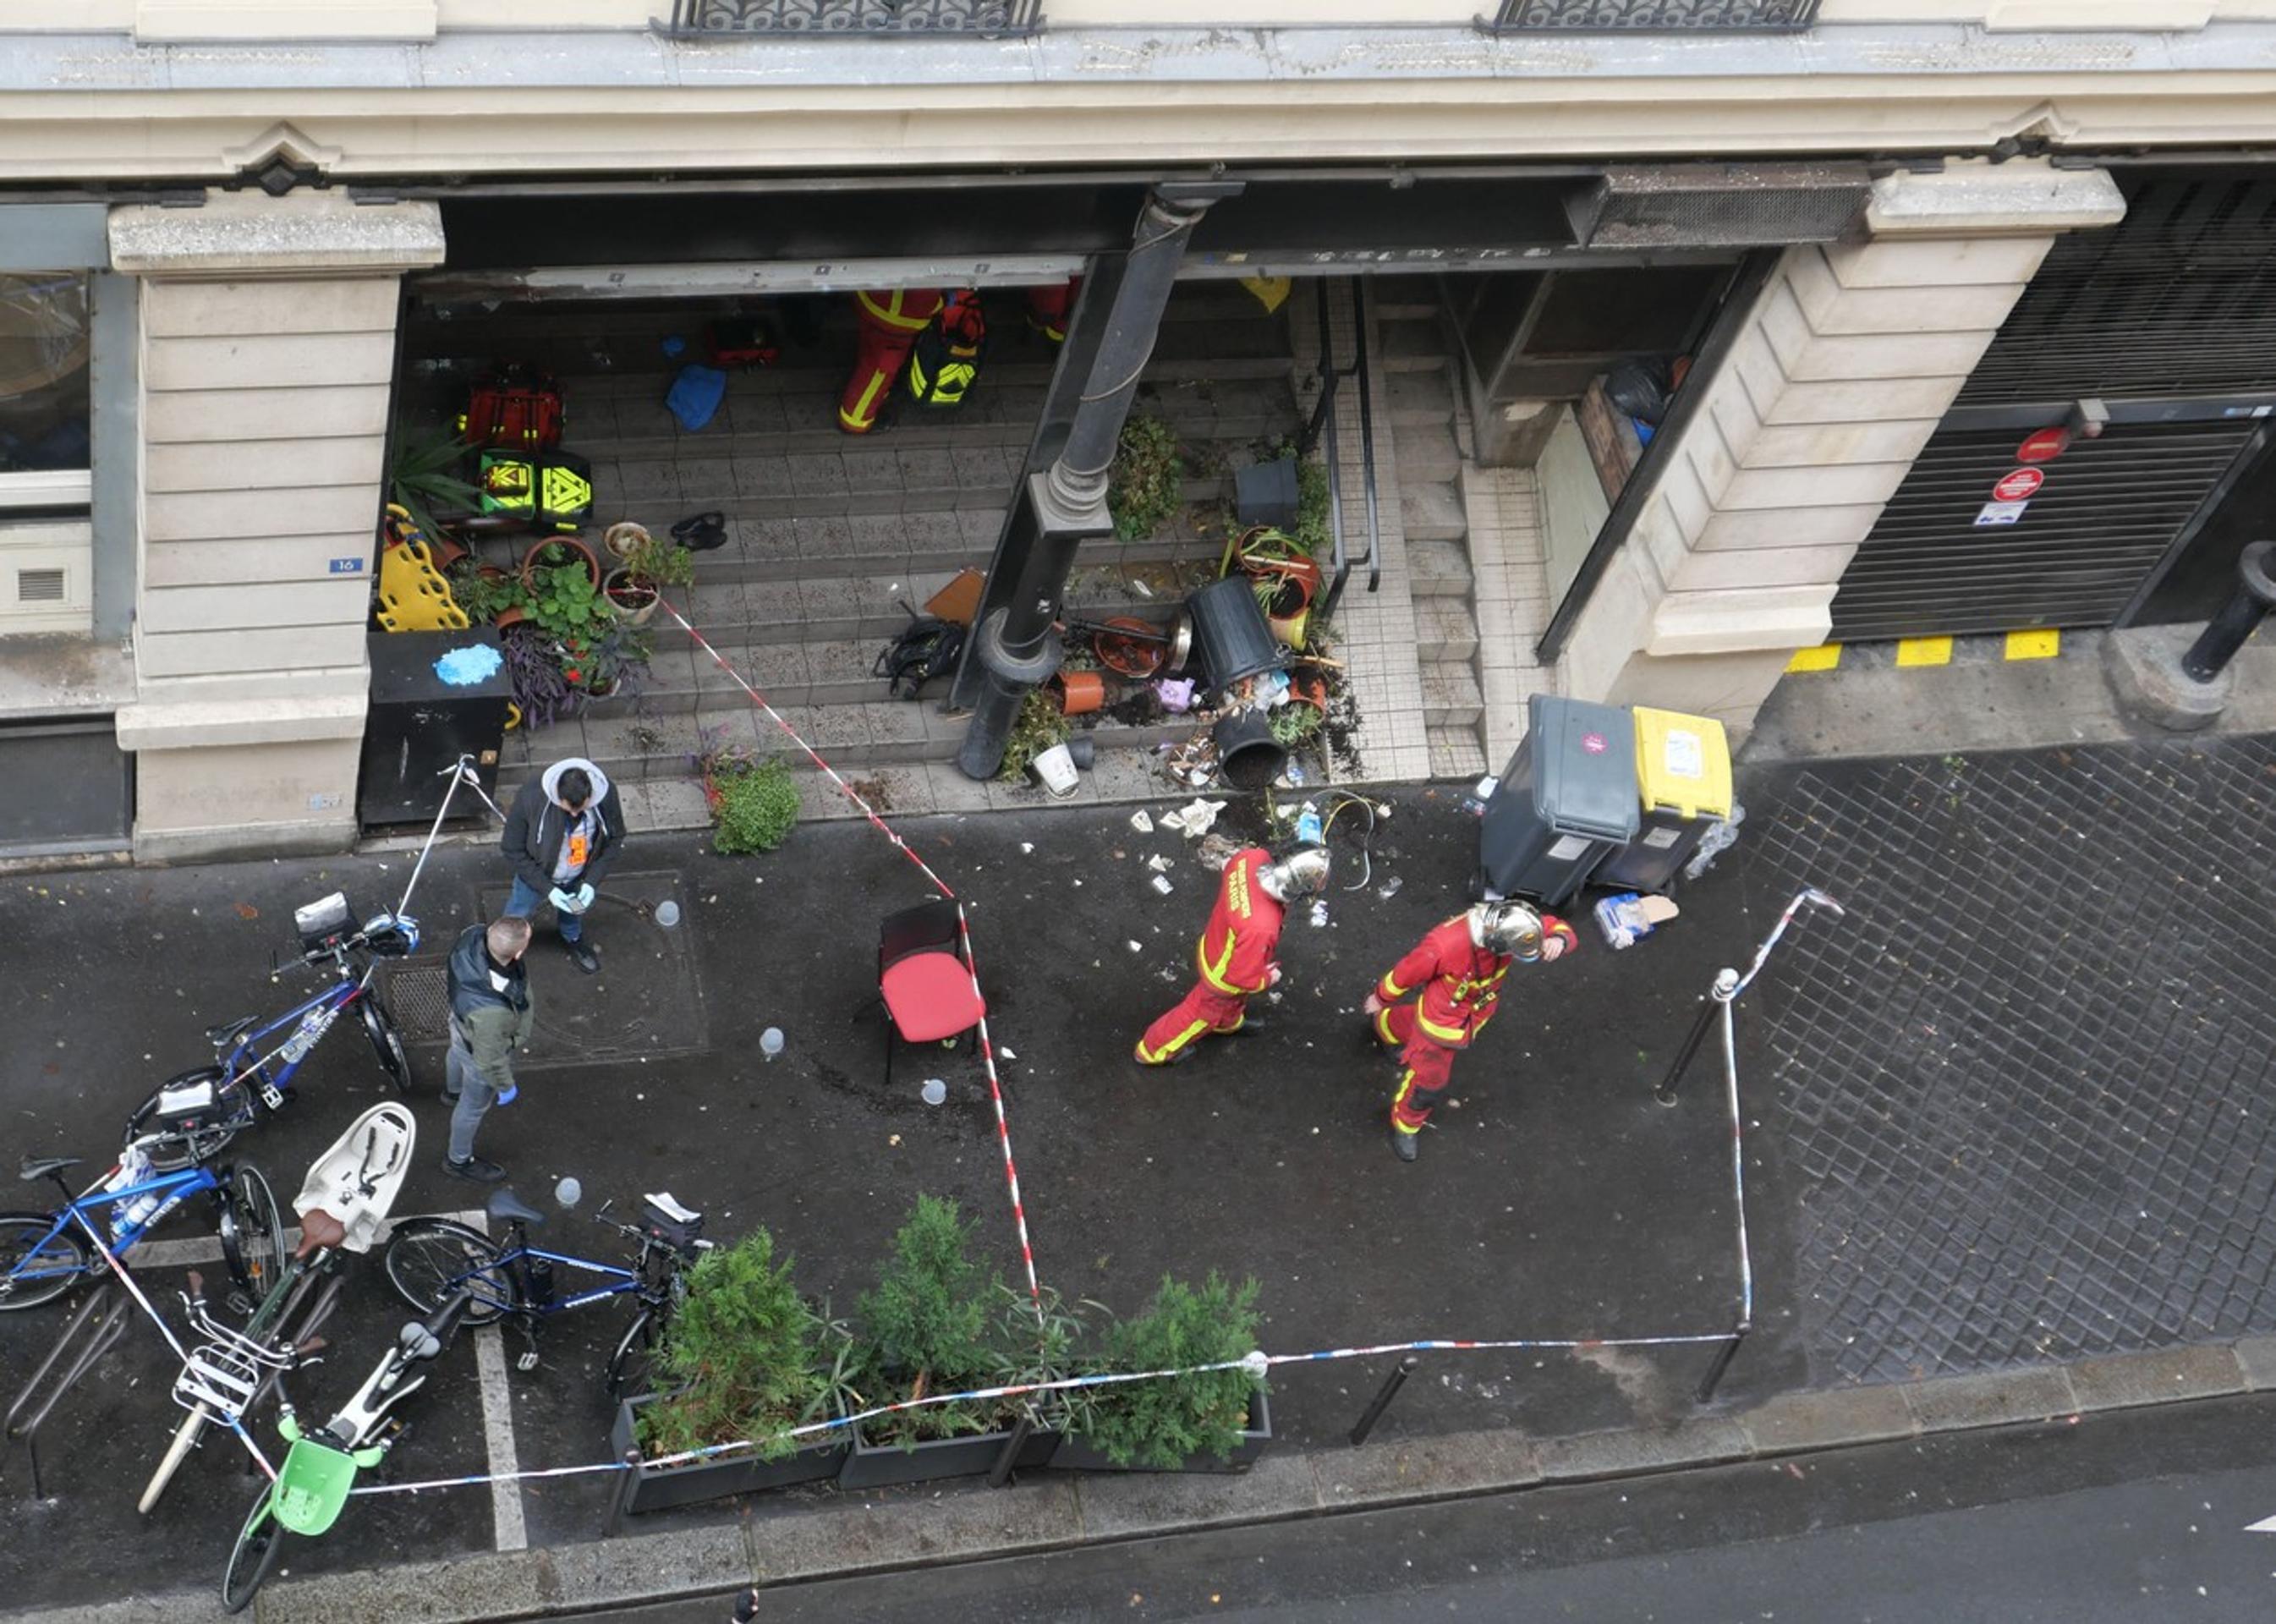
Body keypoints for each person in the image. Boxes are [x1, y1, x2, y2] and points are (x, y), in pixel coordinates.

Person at [1364, 900, 1575, 1164]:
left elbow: (1556, 927)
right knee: (1428, 1086)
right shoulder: (1446, 945)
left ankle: (1384, 1027)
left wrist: (1558, 940)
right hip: (1440, 1026)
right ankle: (1406, 1124)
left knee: (1409, 1024)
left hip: (1470, 1015)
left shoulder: (1516, 923)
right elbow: (1406, 972)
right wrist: (1380, 997)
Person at [1134, 842, 1331, 1067]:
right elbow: (1240, 977)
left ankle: (1228, 1023)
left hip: (1218, 941)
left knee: (1232, 1002)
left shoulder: (1251, 858)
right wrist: (1267, 978)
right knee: (1198, 1015)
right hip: (1223, 976)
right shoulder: (1261, 927)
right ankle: (1153, 1050)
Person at [502, 755, 627, 974]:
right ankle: (504, 949)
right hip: (537, 874)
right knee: (518, 913)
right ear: (557, 796)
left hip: (580, 874)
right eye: (569, 810)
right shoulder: (530, 796)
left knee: (574, 912)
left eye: (582, 808)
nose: (575, 815)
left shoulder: (606, 794)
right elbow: (512, 848)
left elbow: (616, 838)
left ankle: (572, 937)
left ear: (591, 795)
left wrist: (591, 882)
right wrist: (548, 889)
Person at [442, 915, 534, 1183]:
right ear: (519, 953)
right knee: (472, 1108)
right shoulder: (493, 1012)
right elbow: (489, 1060)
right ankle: (458, 1160)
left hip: (461, 1021)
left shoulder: (471, 937)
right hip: (481, 1042)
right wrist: (505, 1085)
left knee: (456, 1052)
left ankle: (451, 1091)